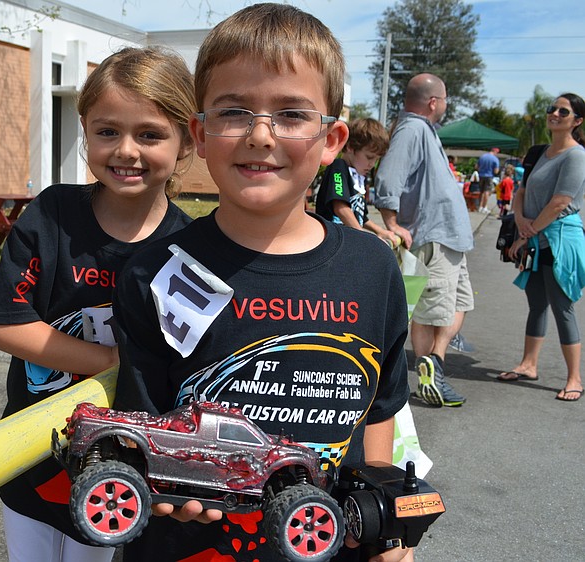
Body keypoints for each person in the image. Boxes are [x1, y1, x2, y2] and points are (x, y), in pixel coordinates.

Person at [112, 5, 412, 561]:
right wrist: (165, 490)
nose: (260, 135)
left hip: (325, 542)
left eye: (292, 114)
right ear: (200, 135)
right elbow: (147, 423)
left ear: (331, 140)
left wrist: (385, 528)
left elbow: (381, 409)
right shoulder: (151, 272)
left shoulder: (373, 268)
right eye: (233, 113)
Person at [0, 46, 196, 562]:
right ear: (85, 131)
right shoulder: (51, 215)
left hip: (119, 463)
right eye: (107, 131)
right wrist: (111, 363)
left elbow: (183, 367)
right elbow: (5, 325)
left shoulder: (192, 248)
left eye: (150, 134)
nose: (126, 150)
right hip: (32, 445)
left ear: (187, 139)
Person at [375, 73, 474, 408]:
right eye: (444, 100)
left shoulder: (424, 130)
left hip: (449, 236)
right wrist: (391, 222)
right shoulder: (413, 129)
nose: (445, 105)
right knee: (430, 311)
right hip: (433, 233)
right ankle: (430, 371)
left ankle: (435, 362)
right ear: (434, 102)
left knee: (457, 304)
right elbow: (389, 175)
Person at [498, 93, 585, 402]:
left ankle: (574, 378)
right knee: (537, 303)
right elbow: (522, 191)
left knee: (562, 307)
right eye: (552, 108)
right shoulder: (538, 152)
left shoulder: (576, 156)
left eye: (564, 111)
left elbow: (561, 202)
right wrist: (520, 220)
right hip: (534, 236)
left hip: (560, 240)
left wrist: (527, 233)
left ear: (577, 121)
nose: (555, 114)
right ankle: (528, 364)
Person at [315, 117, 402, 247]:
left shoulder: (359, 176)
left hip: (347, 242)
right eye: (369, 157)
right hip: (332, 244)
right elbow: (341, 208)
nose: (372, 164)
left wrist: (381, 231)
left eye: (376, 160)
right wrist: (363, 237)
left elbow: (361, 217)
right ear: (350, 147)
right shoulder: (338, 167)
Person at [477, 147, 501, 214]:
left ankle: (480, 206)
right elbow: (496, 171)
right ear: (495, 152)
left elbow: (477, 167)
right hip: (489, 176)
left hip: (481, 175)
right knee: (487, 191)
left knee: (481, 191)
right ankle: (484, 207)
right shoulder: (495, 159)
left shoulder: (482, 157)